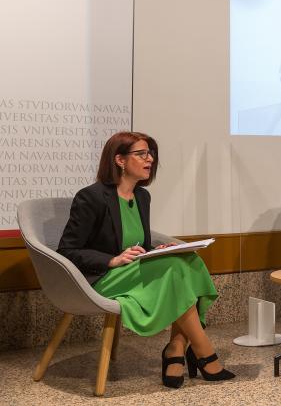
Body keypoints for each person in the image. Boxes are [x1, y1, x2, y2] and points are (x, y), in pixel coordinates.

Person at [57, 132, 234, 388]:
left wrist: (157, 249)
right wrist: (112, 260)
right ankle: (202, 350)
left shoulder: (142, 197)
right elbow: (68, 249)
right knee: (175, 269)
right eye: (141, 154)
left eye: (150, 153)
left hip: (132, 271)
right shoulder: (91, 197)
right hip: (104, 278)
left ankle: (175, 348)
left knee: (188, 261)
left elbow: (136, 242)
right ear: (119, 159)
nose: (149, 159)